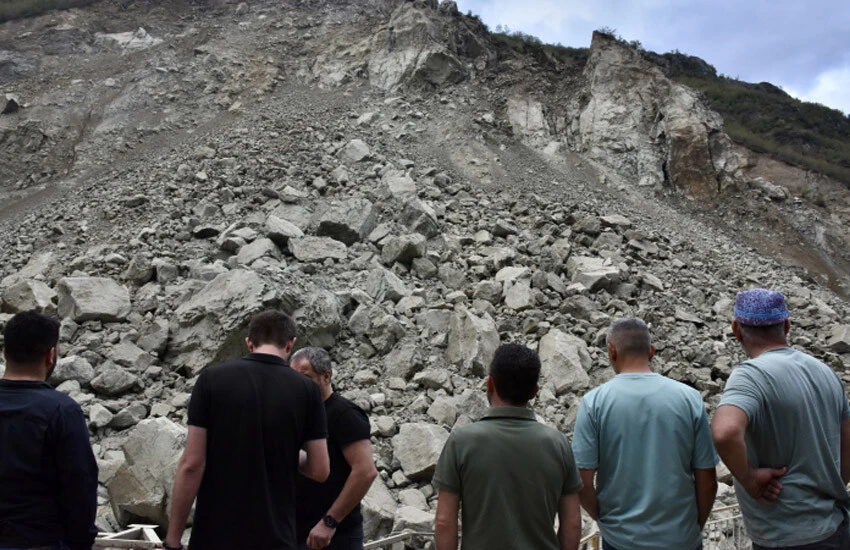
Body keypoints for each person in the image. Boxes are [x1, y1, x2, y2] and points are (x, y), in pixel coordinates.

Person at [164, 310, 330, 550]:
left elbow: (192, 464)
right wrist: (281, 450)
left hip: (214, 538)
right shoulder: (307, 390)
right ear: (290, 344)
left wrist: (173, 540)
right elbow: (320, 469)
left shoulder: (211, 380)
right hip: (275, 538)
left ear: (249, 343)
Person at [712, 289, 850, 549]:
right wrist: (832, 484)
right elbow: (848, 440)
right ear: (786, 325)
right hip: (834, 529)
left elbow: (725, 432)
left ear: (736, 329)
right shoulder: (825, 372)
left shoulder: (750, 375)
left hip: (784, 536)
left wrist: (750, 479)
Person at [572, 317, 718, 550]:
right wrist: (693, 527)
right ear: (652, 351)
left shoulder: (594, 403)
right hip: (681, 539)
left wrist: (604, 519)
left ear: (611, 351)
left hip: (621, 540)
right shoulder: (689, 399)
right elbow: (708, 480)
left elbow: (581, 480)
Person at [433, 343, 583, 550]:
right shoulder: (558, 444)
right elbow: (573, 523)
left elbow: (443, 521)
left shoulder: (461, 442)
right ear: (535, 392)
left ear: (490, 384)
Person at [0, 310, 98, 550]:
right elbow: (80, 486)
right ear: (50, 355)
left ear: (5, 352)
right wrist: (81, 542)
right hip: (38, 541)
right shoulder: (61, 411)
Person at [291, 347, 377, 550]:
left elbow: (365, 471)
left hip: (335, 536)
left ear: (326, 376)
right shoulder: (296, 415)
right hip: (296, 531)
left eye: (305, 378)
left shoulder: (344, 414)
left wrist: (330, 521)